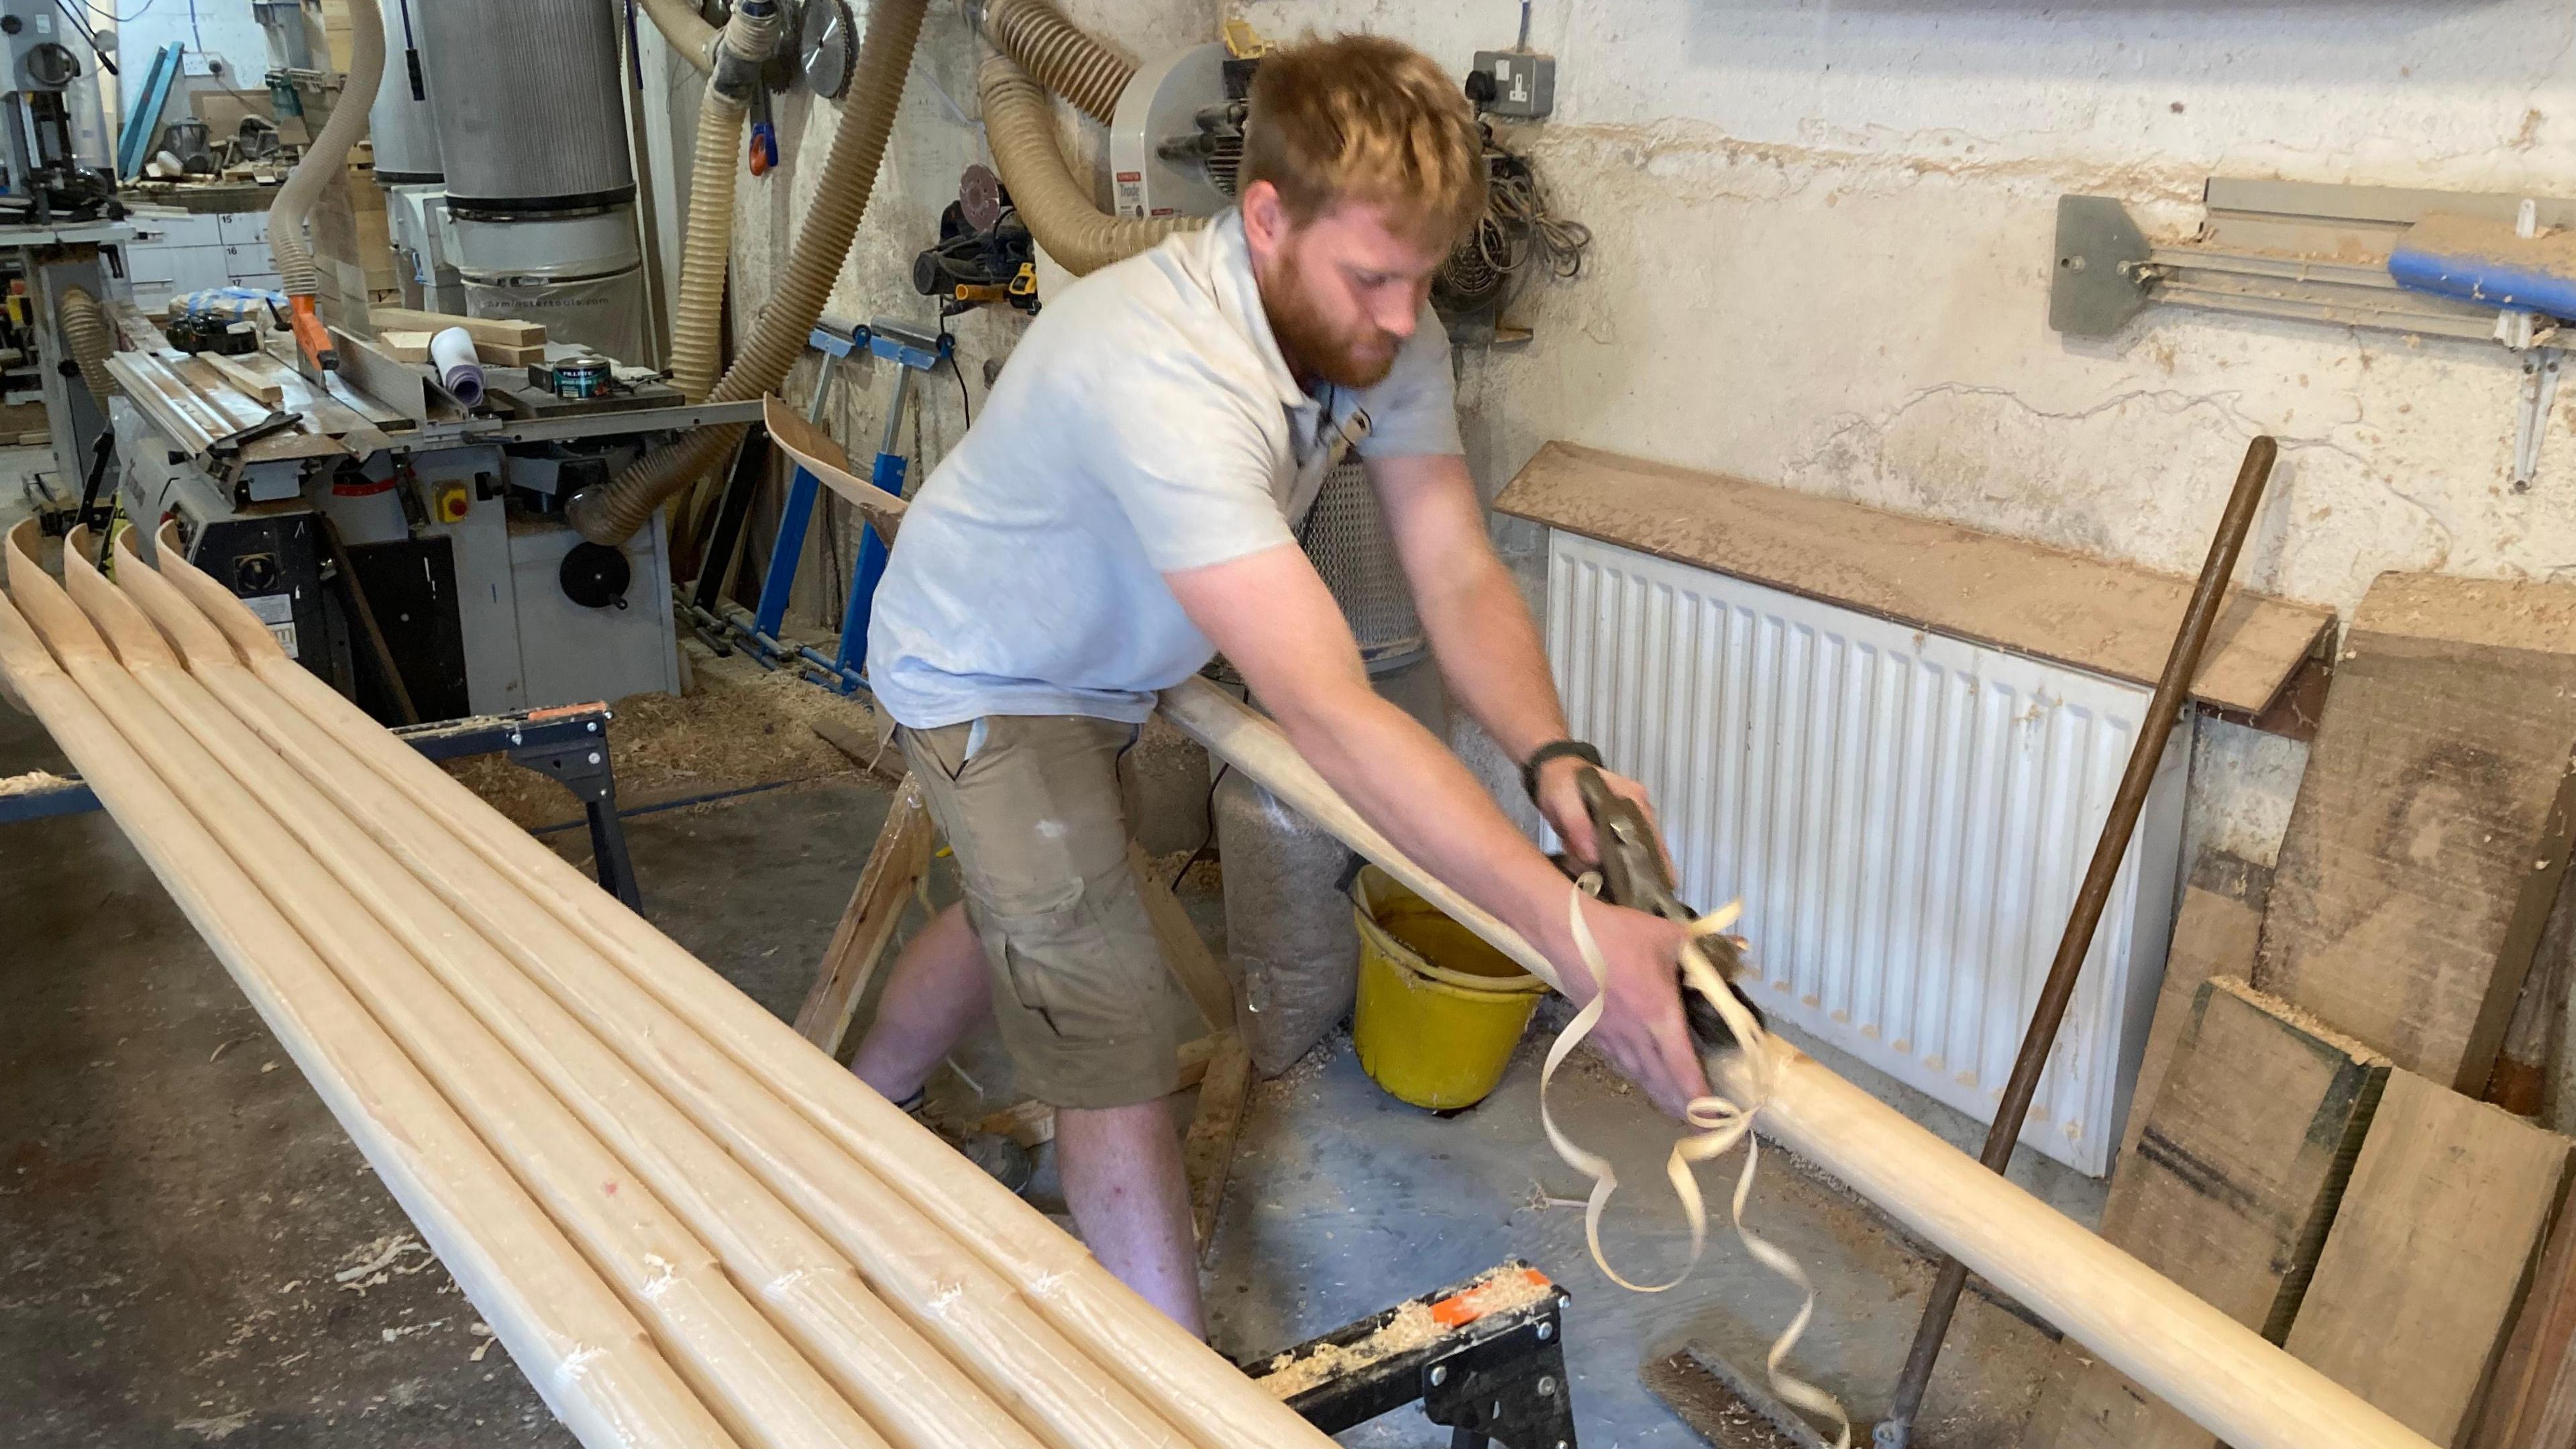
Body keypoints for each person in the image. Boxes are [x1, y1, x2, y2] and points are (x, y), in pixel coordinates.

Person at [853, 32, 1707, 1336]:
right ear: (1264, 217)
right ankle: (1185, 1401)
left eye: (1419, 281)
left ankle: (861, 1099)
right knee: (1114, 1034)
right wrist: (1569, 931)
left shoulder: (1378, 322)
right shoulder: (1166, 369)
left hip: (1105, 672)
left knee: (1029, 904)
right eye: (1373, 277)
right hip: (984, 666)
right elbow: (1328, 711)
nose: (1401, 319)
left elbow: (1460, 570)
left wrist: (1555, 761)